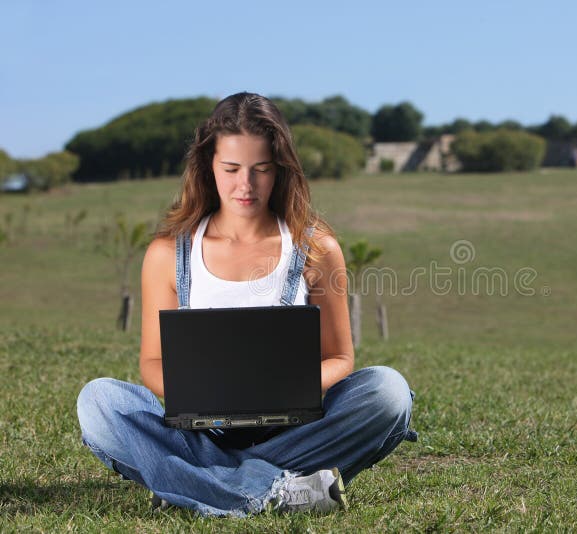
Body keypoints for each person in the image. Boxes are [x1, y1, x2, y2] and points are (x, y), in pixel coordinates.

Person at [76, 92, 416, 517]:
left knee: (388, 392)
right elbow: (151, 362)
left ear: (281, 171)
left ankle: (192, 483)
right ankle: (277, 490)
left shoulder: (316, 247)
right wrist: (206, 396)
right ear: (208, 167)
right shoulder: (168, 252)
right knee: (99, 402)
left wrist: (284, 386)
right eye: (231, 169)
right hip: (204, 430)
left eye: (261, 170)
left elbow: (341, 357)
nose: (246, 185)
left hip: (296, 427)